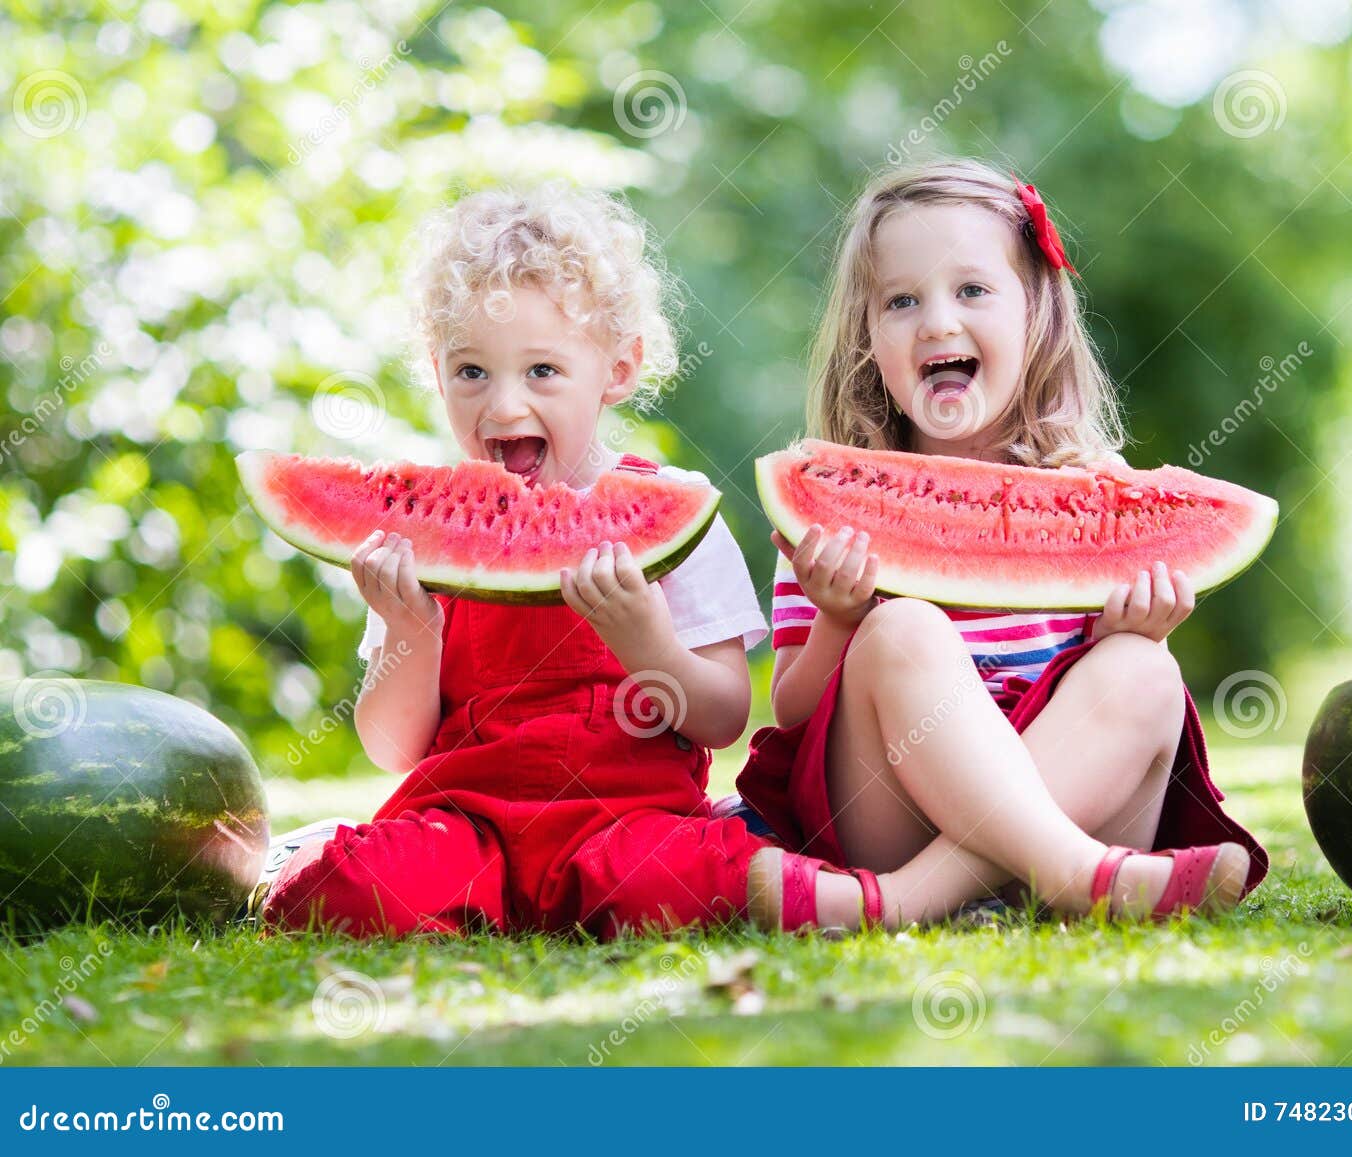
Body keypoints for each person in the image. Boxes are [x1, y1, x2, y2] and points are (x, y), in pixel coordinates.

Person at [259, 184, 893, 938]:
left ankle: (800, 880)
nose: (501, 407)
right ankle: (359, 873)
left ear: (618, 369)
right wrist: (408, 629)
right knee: (341, 892)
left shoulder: (676, 515)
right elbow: (394, 747)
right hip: (468, 829)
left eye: (542, 372)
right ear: (435, 372)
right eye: (471, 373)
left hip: (626, 828)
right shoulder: (423, 538)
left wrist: (647, 646)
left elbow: (722, 718)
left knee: (660, 879)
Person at [732, 158, 1270, 925]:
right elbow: (791, 713)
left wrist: (1133, 629)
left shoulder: (1098, 497)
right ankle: (1078, 876)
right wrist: (839, 620)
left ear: (1036, 315)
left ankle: (911, 903)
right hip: (893, 814)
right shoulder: (831, 513)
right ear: (868, 339)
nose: (938, 322)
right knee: (902, 628)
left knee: (1144, 672)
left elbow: (1115, 701)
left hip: (1070, 797)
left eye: (973, 290)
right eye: (901, 300)